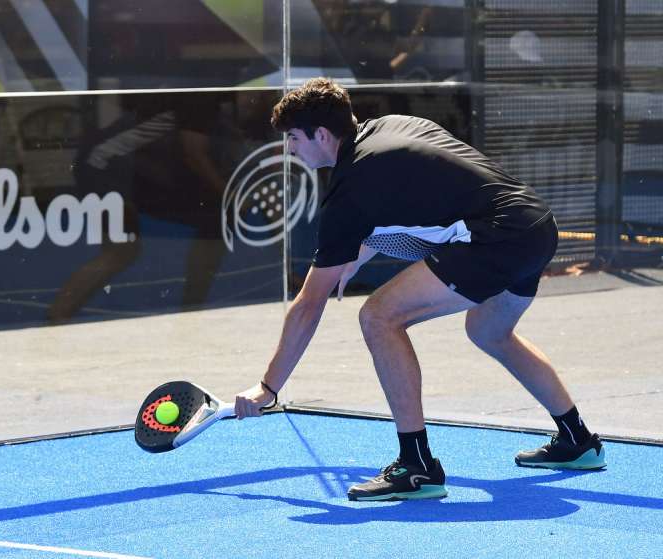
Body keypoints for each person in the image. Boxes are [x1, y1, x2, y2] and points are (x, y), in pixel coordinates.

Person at [233, 77, 606, 502]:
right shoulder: (392, 127)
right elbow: (415, 197)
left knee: (378, 316)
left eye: (294, 138)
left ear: (321, 135)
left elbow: (308, 304)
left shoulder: (348, 190)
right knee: (488, 330)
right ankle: (578, 439)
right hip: (537, 226)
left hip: (495, 238)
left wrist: (268, 388)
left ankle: (417, 466)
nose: (290, 149)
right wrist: (356, 254)